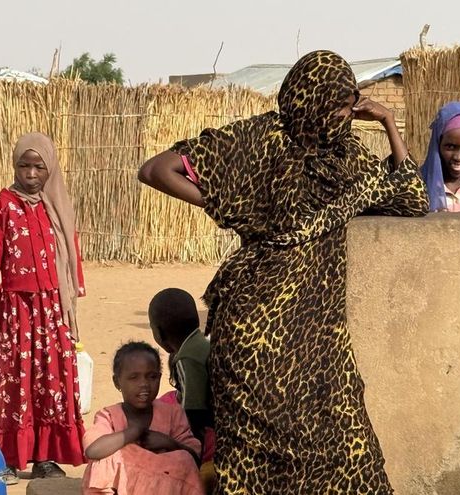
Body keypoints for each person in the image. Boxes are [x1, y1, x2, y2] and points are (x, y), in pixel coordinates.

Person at [138, 50, 428, 493]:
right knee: (318, 452)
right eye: (341, 106)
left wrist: (389, 121)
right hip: (278, 334)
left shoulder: (308, 149)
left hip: (292, 331)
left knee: (298, 453)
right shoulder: (313, 151)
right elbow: (155, 169)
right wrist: (234, 210)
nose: (346, 115)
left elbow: (412, 200)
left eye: (349, 106)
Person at [0, 132, 86, 481]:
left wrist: (70, 299)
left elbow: (69, 255)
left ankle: (45, 459)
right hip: (17, 311)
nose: (31, 173)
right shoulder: (2, 207)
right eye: (24, 165)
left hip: (53, 311)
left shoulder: (57, 209)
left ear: (49, 169)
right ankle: (10, 457)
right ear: (14, 166)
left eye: (39, 167)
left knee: (51, 383)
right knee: (17, 383)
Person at [82, 342, 204, 495]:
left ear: (160, 378)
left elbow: (194, 459)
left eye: (151, 377)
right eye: (134, 377)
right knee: (107, 456)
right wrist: (134, 432)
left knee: (183, 458)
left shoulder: (172, 413)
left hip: (162, 488)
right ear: (117, 382)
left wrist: (169, 443)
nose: (144, 384)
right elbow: (93, 450)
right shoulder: (109, 416)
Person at [149, 288, 216, 492]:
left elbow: (194, 411)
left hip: (209, 435)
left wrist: (190, 453)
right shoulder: (201, 345)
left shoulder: (187, 359)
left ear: (159, 334)